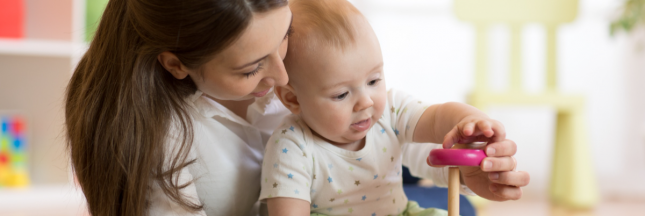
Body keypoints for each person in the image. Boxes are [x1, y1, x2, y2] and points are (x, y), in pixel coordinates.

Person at [259, 0, 530, 215]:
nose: (366, 101)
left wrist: (472, 121)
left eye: (374, 80)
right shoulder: (291, 146)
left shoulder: (390, 110)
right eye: (341, 94)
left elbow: (436, 119)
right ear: (293, 100)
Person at [65, 0, 293, 215]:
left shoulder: (296, 49)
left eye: (286, 35)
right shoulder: (158, 136)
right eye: (251, 70)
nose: (282, 76)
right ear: (176, 64)